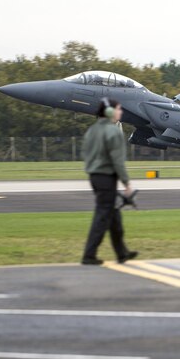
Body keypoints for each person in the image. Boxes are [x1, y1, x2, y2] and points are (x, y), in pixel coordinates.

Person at [80, 98, 138, 265]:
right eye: (119, 109)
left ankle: (122, 253)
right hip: (106, 177)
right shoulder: (113, 132)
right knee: (102, 217)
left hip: (95, 176)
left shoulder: (92, 130)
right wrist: (126, 183)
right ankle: (89, 255)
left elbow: (86, 153)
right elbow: (117, 161)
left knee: (113, 216)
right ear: (111, 112)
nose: (121, 112)